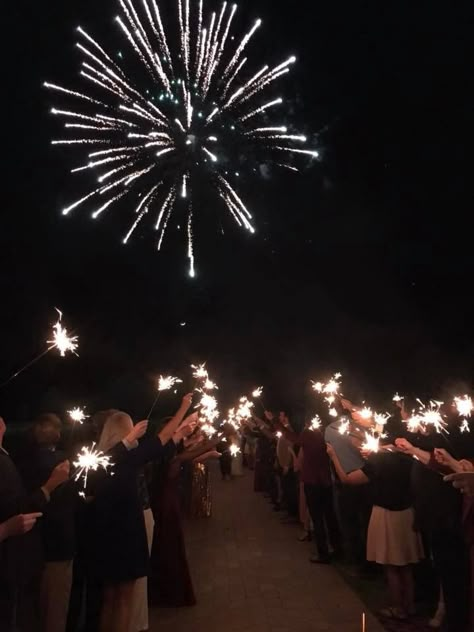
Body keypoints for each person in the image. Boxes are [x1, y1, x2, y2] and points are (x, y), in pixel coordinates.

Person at [89, 394, 194, 632]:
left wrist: (180, 430)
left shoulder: (101, 459)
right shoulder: (125, 459)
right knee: (124, 599)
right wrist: (183, 407)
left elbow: (164, 443)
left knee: (110, 598)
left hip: (106, 536)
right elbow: (163, 437)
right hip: (126, 535)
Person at [328, 441, 423, 621]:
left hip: (387, 515)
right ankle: (409, 606)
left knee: (391, 566)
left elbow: (347, 479)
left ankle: (398, 608)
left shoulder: (378, 462)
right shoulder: (410, 458)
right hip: (407, 514)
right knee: (406, 566)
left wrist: (333, 456)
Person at [0, 416, 70, 632]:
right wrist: (49, 487)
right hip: (13, 560)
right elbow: (18, 509)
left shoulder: (13, 459)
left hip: (24, 558)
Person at [396, 436, 471, 631]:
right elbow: (462, 470)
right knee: (453, 584)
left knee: (457, 584)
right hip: (456, 527)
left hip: (450, 524)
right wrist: (452, 463)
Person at [16, 413, 77, 632]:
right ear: (58, 434)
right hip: (58, 543)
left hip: (31, 544)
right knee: (55, 611)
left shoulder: (20, 463)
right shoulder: (62, 464)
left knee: (34, 610)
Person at [148, 429, 220, 607]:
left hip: (165, 504)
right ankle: (168, 592)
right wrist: (215, 441)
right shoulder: (170, 458)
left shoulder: (163, 456)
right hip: (165, 506)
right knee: (168, 547)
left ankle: (161, 591)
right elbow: (188, 456)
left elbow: (189, 454)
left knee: (166, 547)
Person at [276, 416, 341, 564]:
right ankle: (337, 550)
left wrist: (279, 425)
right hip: (326, 482)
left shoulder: (307, 434)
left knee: (317, 518)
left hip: (313, 482)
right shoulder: (326, 434)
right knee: (330, 516)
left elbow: (294, 438)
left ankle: (323, 553)